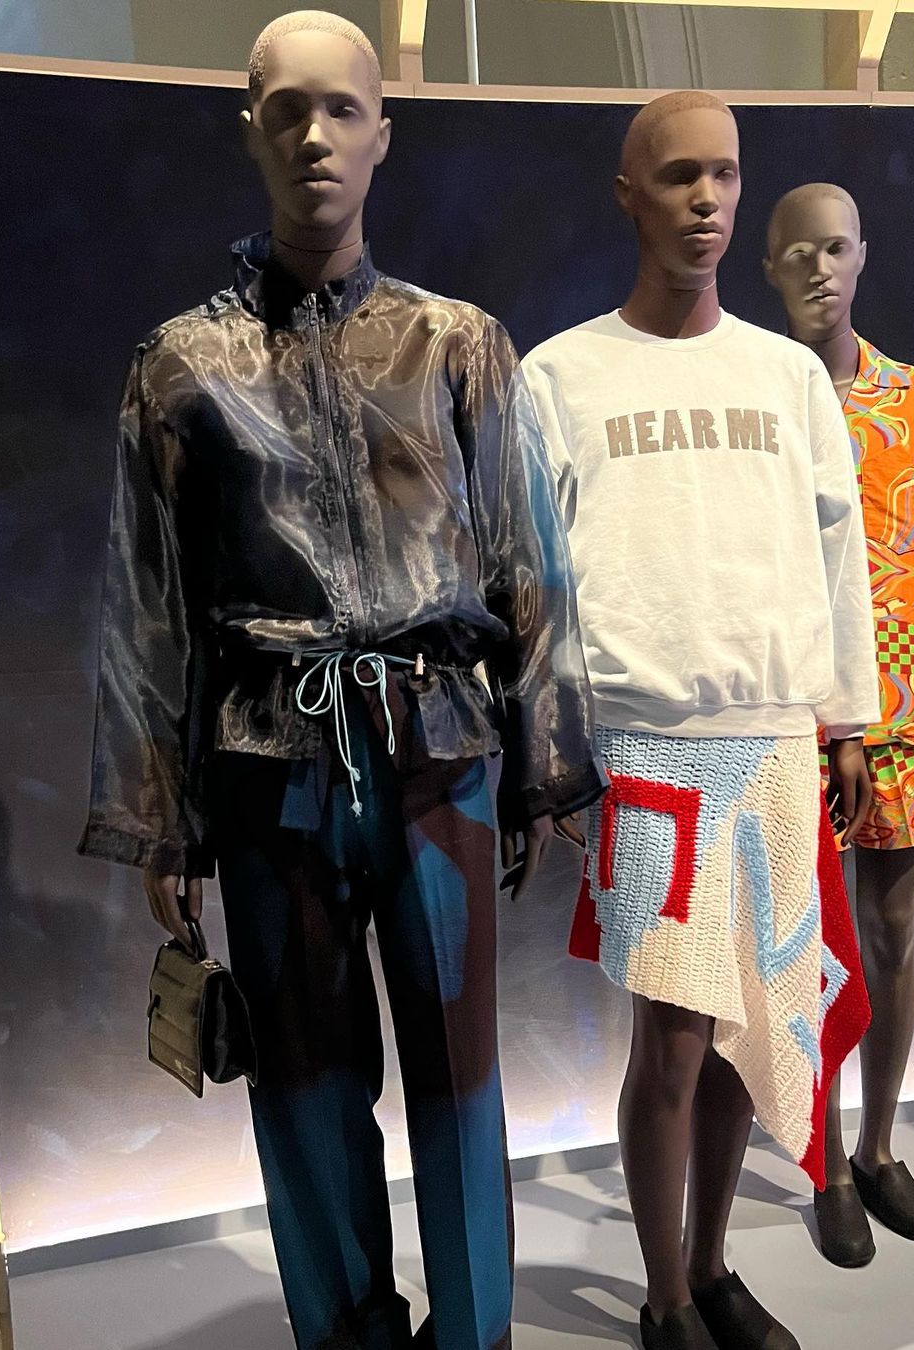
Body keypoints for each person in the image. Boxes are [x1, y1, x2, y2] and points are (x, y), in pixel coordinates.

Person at [79, 12, 604, 1349]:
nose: (315, 136)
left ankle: (473, 1333)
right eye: (286, 110)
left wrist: (545, 767)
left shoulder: (458, 343)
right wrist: (158, 813)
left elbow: (529, 563)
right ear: (249, 129)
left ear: (383, 133)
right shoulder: (180, 365)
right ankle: (350, 1334)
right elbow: (149, 600)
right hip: (267, 769)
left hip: (441, 754)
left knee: (462, 1080)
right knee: (305, 1092)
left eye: (343, 110)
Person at [522, 92, 880, 1350]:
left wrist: (847, 721)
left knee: (751, 1028)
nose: (708, 199)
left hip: (775, 738)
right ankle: (664, 1296)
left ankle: (717, 1266)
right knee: (671, 1035)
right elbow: (534, 587)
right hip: (645, 747)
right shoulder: (559, 375)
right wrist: (555, 758)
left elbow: (840, 560)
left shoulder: (787, 376)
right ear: (630, 194)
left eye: (724, 174)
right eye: (679, 175)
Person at [765, 182, 914, 1267]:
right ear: (769, 268)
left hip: (909, 706)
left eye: (835, 249)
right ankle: (820, 1163)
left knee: (893, 933)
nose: (819, 270)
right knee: (808, 951)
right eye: (798, 253)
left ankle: (877, 1146)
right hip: (795, 712)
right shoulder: (758, 399)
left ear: (861, 256)